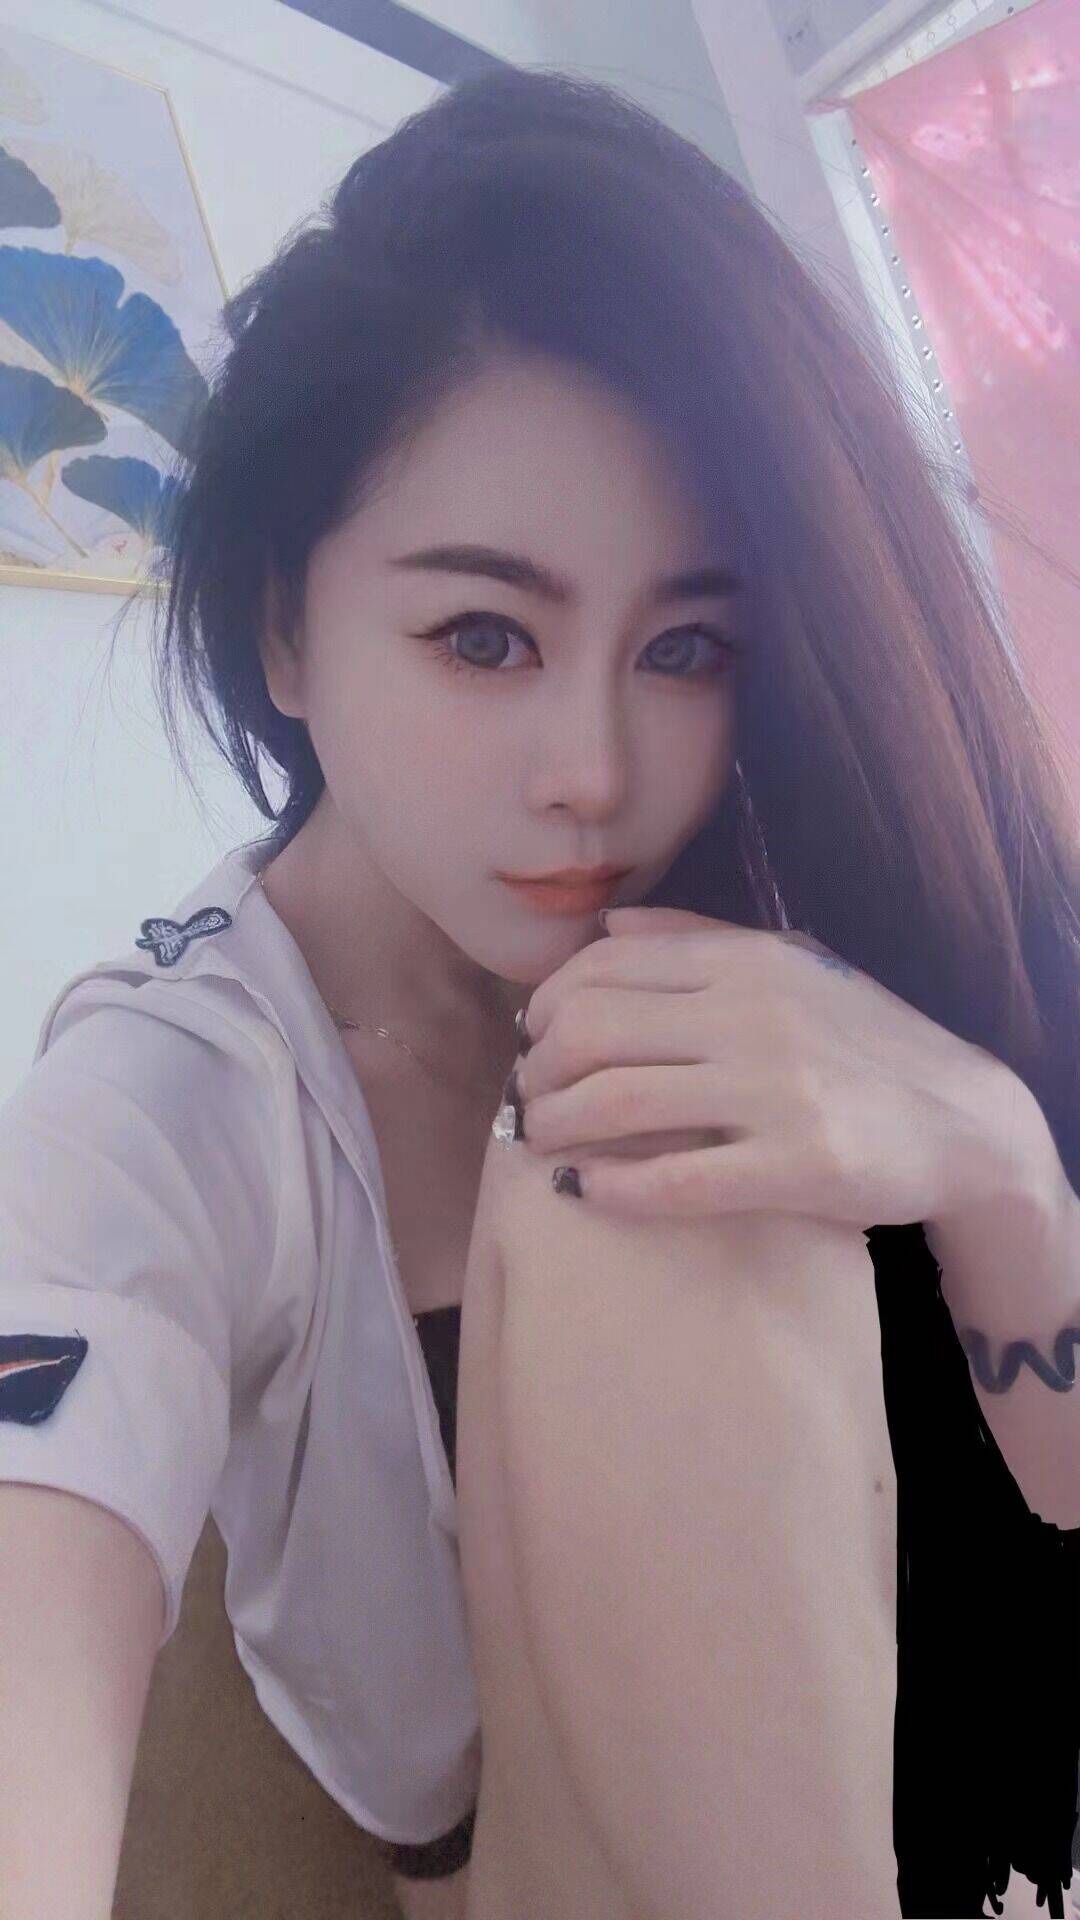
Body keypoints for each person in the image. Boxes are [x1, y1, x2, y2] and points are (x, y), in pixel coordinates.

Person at [1, 62, 1078, 1920]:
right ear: (284, 628)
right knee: (633, 1181)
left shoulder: (772, 919)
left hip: (928, 1738)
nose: (596, 772)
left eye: (687, 646)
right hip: (541, 1852)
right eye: (483, 635)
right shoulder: (179, 1087)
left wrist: (991, 1157)